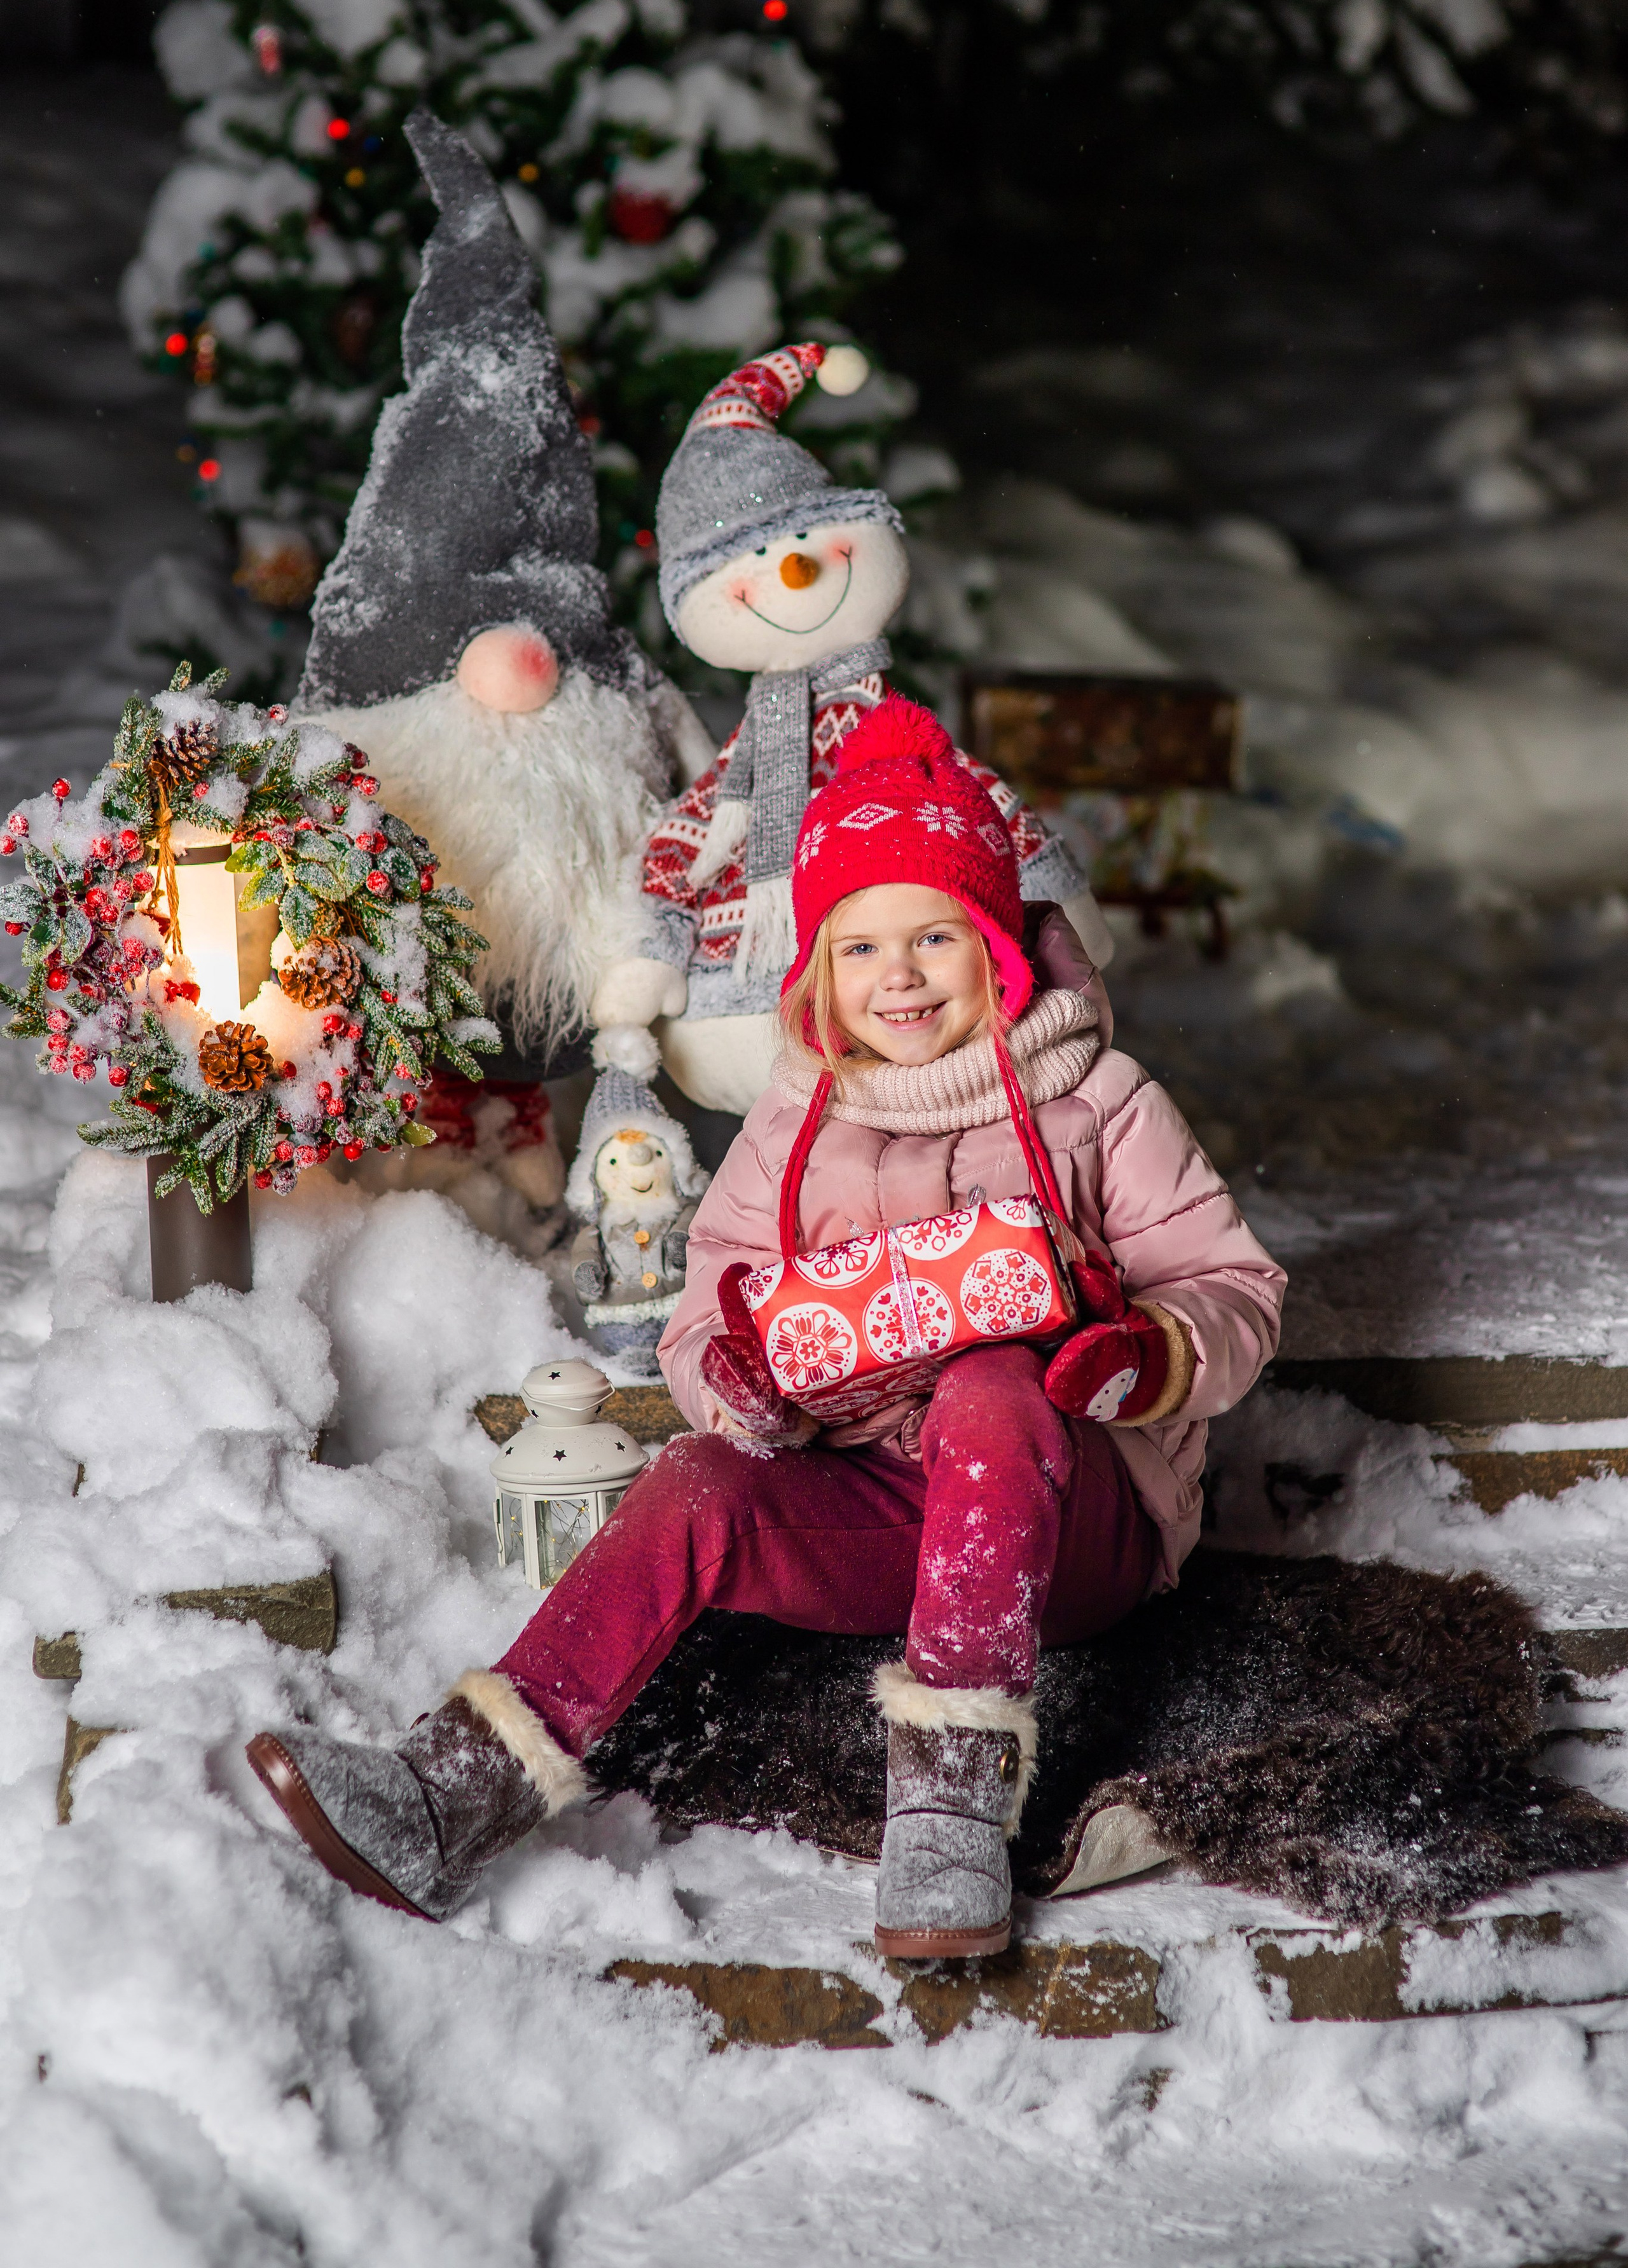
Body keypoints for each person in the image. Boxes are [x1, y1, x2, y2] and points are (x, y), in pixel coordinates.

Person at [247, 699, 1285, 1956]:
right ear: (817, 972)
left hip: (1065, 1524)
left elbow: (1233, 1289)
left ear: (997, 947)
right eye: (857, 949)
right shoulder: (794, 1121)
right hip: (878, 1506)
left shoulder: (1099, 1102)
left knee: (992, 1389)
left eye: (933, 937)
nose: (894, 977)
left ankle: (950, 1816)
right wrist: (732, 1381)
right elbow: (707, 1315)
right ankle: (448, 1794)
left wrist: (1145, 1356)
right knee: (694, 1479)